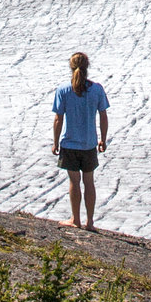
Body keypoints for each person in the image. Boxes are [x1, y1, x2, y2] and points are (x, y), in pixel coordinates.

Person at [50, 51, 110, 231]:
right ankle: (90, 222)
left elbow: (58, 118)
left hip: (70, 144)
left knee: (74, 182)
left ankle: (75, 219)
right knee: (89, 182)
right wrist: (103, 139)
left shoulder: (63, 90)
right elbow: (103, 115)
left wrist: (55, 142)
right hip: (89, 144)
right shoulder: (97, 89)